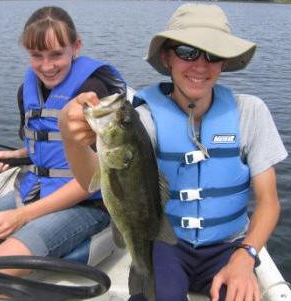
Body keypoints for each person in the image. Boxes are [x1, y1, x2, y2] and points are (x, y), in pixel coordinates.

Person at [58, 3, 288, 301]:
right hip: (168, 244)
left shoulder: (251, 112)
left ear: (225, 62)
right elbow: (98, 177)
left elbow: (269, 203)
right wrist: (70, 133)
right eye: (187, 51)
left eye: (213, 54)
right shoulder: (145, 118)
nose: (200, 65)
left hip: (230, 246)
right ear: (166, 57)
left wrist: (245, 257)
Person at [0, 6, 125, 298]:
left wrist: (24, 216)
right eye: (37, 56)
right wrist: (14, 156)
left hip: (85, 204)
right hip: (34, 188)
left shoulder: (92, 92)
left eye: (56, 54)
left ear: (76, 47)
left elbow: (96, 177)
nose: (47, 66)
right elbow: (46, 148)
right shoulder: (27, 90)